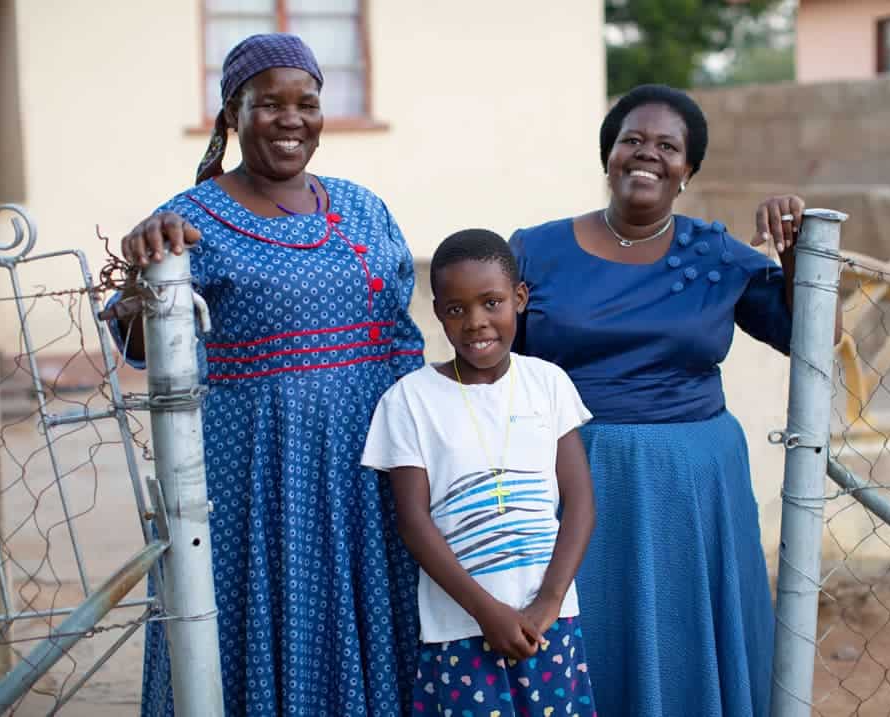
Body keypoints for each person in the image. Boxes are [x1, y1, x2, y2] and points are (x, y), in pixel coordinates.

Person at [102, 34, 423, 716]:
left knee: (374, 617)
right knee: (266, 616)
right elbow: (141, 338)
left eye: (306, 103)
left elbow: (402, 336)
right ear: (231, 115)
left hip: (371, 472)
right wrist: (141, 275)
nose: (290, 119)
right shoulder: (189, 218)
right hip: (261, 479)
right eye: (267, 103)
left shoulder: (362, 205)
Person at [509, 83, 814, 717]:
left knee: (683, 640)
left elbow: (810, 338)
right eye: (632, 141)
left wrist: (798, 257)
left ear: (688, 170)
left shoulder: (717, 255)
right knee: (582, 636)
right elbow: (490, 349)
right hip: (570, 474)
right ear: (608, 156)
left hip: (692, 487)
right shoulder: (535, 249)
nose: (647, 155)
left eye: (667, 146)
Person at [361, 229, 598, 717]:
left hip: (550, 623)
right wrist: (486, 611)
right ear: (438, 313)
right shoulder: (409, 400)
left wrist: (549, 602)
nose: (476, 322)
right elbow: (413, 522)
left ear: (520, 299)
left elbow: (580, 503)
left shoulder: (547, 384)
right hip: (462, 627)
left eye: (492, 303)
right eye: (456, 309)